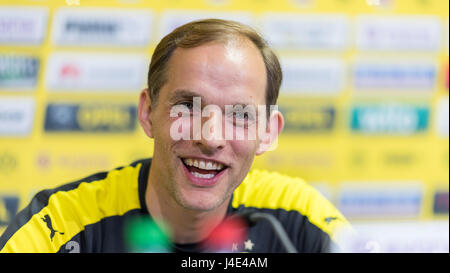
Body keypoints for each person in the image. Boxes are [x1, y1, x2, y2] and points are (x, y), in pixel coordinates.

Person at [0, 19, 350, 253]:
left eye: (240, 114)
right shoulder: (62, 223)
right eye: (188, 106)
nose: (210, 137)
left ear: (268, 133)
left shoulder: (294, 216)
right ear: (148, 113)